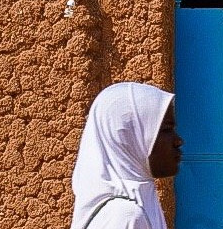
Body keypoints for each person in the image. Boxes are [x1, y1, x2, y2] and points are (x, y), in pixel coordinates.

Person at [70, 81, 184, 229]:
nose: (178, 141)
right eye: (166, 129)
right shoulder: (125, 218)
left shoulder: (138, 205)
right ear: (128, 137)